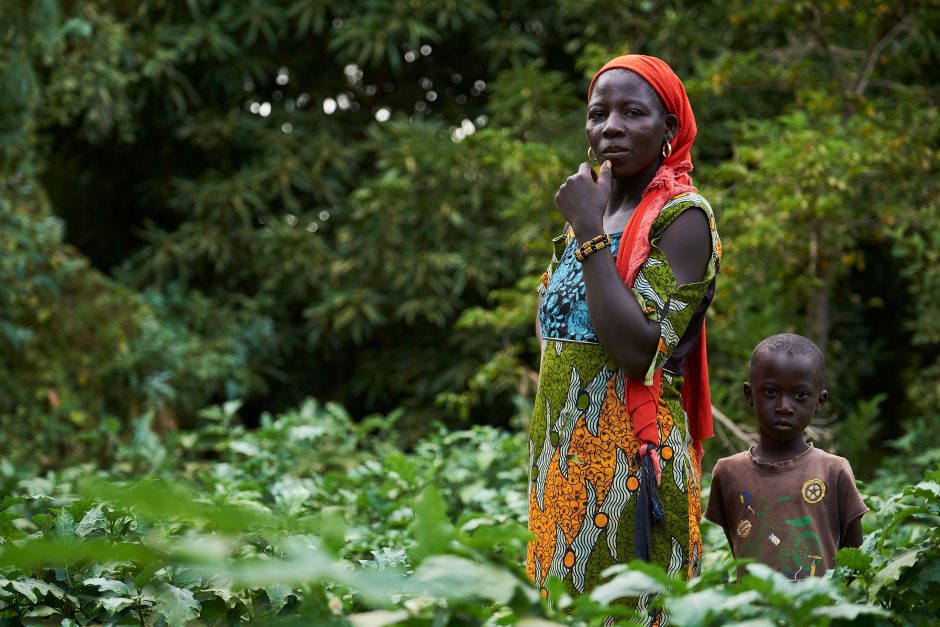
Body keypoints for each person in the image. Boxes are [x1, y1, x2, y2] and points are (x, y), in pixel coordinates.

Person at [526, 54, 722, 608]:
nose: (609, 126)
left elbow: (639, 351)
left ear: (669, 128)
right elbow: (556, 330)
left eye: (632, 112)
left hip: (630, 472)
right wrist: (588, 227)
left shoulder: (682, 219)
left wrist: (588, 232)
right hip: (560, 468)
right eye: (598, 113)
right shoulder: (590, 215)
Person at [704, 333, 867, 580]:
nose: (784, 406)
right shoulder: (728, 473)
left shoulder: (833, 471)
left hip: (817, 615)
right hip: (752, 616)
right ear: (750, 394)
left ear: (820, 401)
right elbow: (740, 546)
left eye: (800, 395)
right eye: (770, 391)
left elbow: (853, 563)